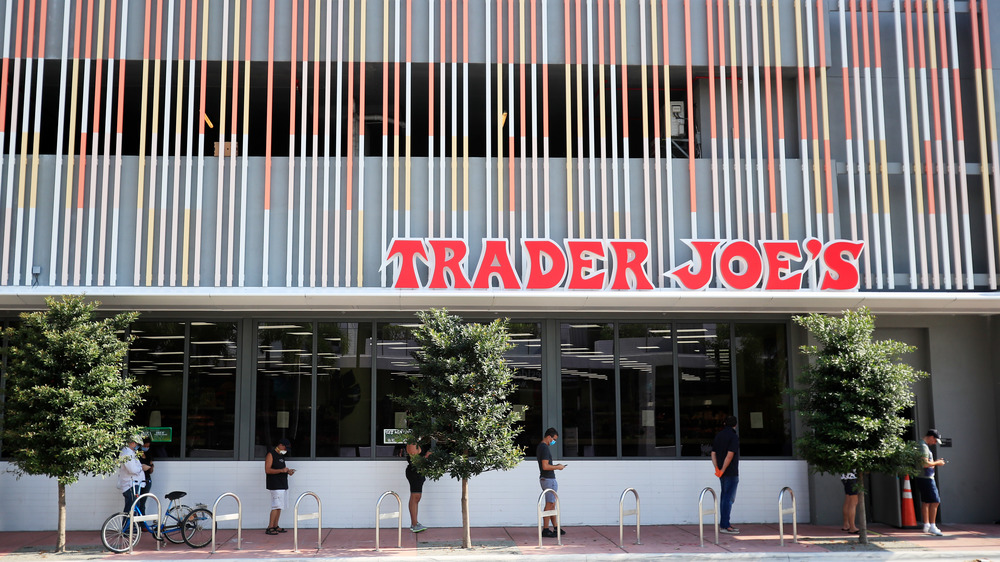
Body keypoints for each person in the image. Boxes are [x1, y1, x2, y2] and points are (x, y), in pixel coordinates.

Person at [711, 415, 740, 534]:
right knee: (728, 499)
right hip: (731, 472)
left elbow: (713, 454)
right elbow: (730, 455)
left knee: (724, 497)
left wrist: (717, 468)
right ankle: (725, 525)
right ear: (735, 425)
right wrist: (723, 469)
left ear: (724, 424)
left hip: (722, 473)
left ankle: (724, 523)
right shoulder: (733, 436)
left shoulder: (719, 436)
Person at [536, 428, 566, 538]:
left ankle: (556, 527)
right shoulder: (544, 448)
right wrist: (558, 467)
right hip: (548, 479)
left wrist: (556, 466)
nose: (554, 442)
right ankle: (545, 529)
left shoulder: (541, 447)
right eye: (554, 439)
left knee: (552, 504)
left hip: (546, 479)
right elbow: (545, 466)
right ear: (549, 436)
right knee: (549, 504)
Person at [917, 429, 947, 536]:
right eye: (935, 441)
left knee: (926, 502)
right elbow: (924, 464)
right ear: (931, 437)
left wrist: (934, 462)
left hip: (922, 477)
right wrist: (937, 462)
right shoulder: (924, 447)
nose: (934, 443)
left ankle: (927, 524)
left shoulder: (920, 445)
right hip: (926, 477)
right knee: (935, 501)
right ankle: (932, 525)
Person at [264, 438, 296, 535]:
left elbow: (281, 469)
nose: (285, 451)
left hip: (282, 484)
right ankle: (270, 527)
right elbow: (268, 470)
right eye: (285, 448)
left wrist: (288, 471)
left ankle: (275, 525)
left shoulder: (281, 456)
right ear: (281, 445)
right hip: (275, 485)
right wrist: (282, 471)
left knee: (280, 507)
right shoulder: (271, 454)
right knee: (276, 506)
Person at [116, 435, 151, 515]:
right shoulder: (127, 453)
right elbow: (132, 469)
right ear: (132, 443)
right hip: (130, 485)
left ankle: (132, 527)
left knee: (133, 508)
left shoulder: (130, 452)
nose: (138, 446)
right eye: (137, 444)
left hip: (133, 484)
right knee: (131, 509)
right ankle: (128, 527)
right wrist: (142, 468)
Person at [404, 440, 432, 533]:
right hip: (414, 472)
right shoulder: (412, 443)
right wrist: (427, 456)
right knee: (415, 497)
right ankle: (414, 524)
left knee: (416, 497)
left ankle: (415, 523)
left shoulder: (417, 442)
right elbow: (416, 461)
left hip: (418, 472)